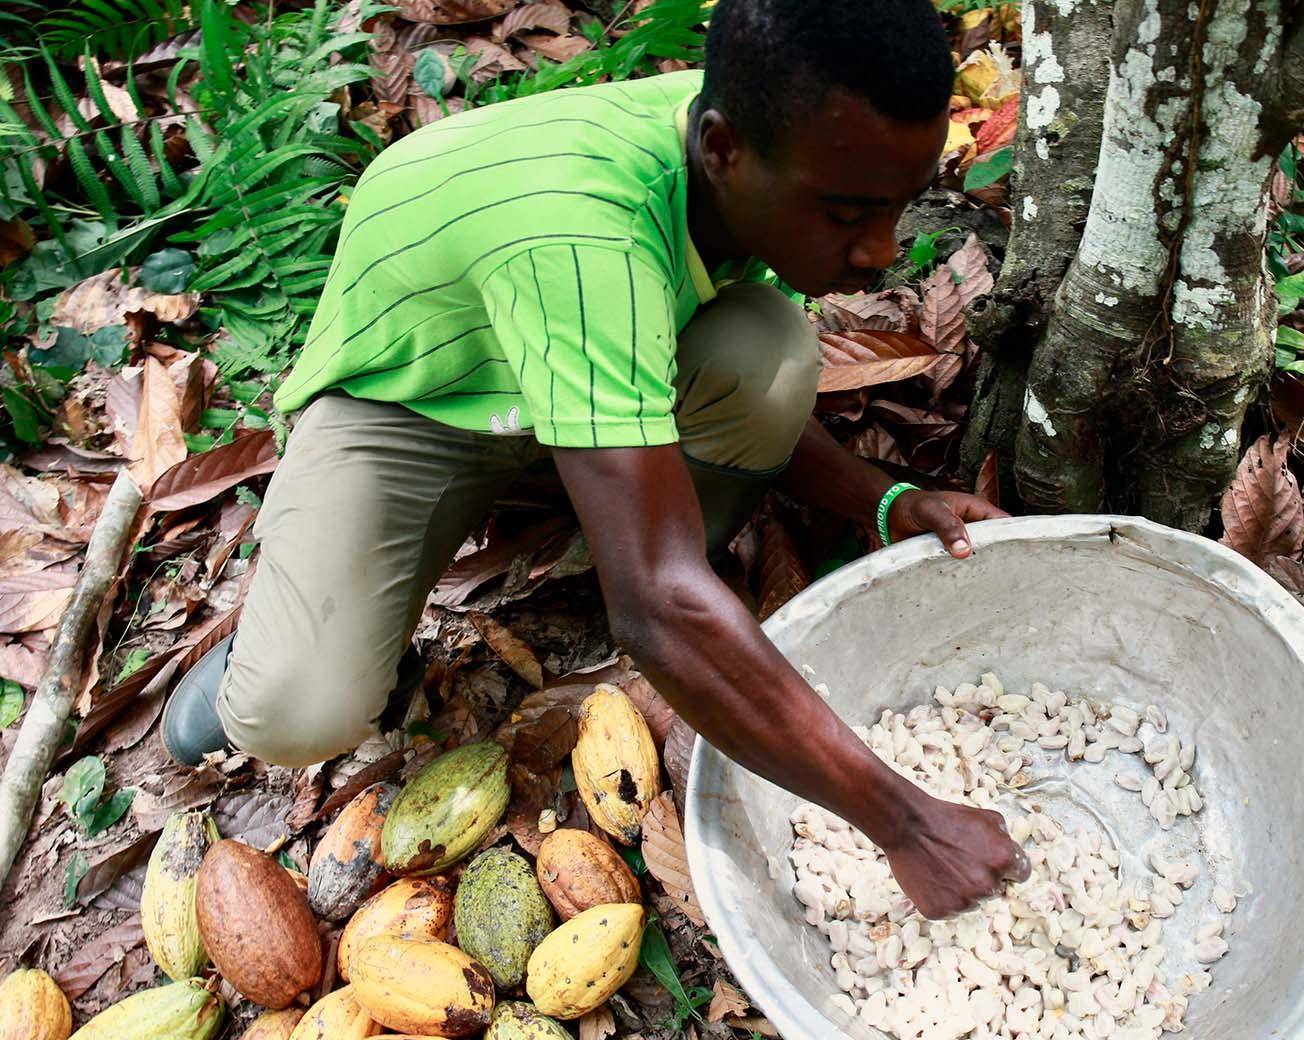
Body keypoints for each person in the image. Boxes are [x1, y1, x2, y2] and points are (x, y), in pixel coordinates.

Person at [159, 0, 1028, 918]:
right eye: (852, 213)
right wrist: (909, 824)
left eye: (898, 205)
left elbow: (651, 352)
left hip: (578, 373)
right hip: (415, 402)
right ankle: (261, 663)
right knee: (302, 709)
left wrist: (890, 501)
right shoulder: (593, 235)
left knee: (766, 356)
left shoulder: (776, 134)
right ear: (724, 148)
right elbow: (652, 609)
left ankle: (636, 523)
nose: (881, 251)